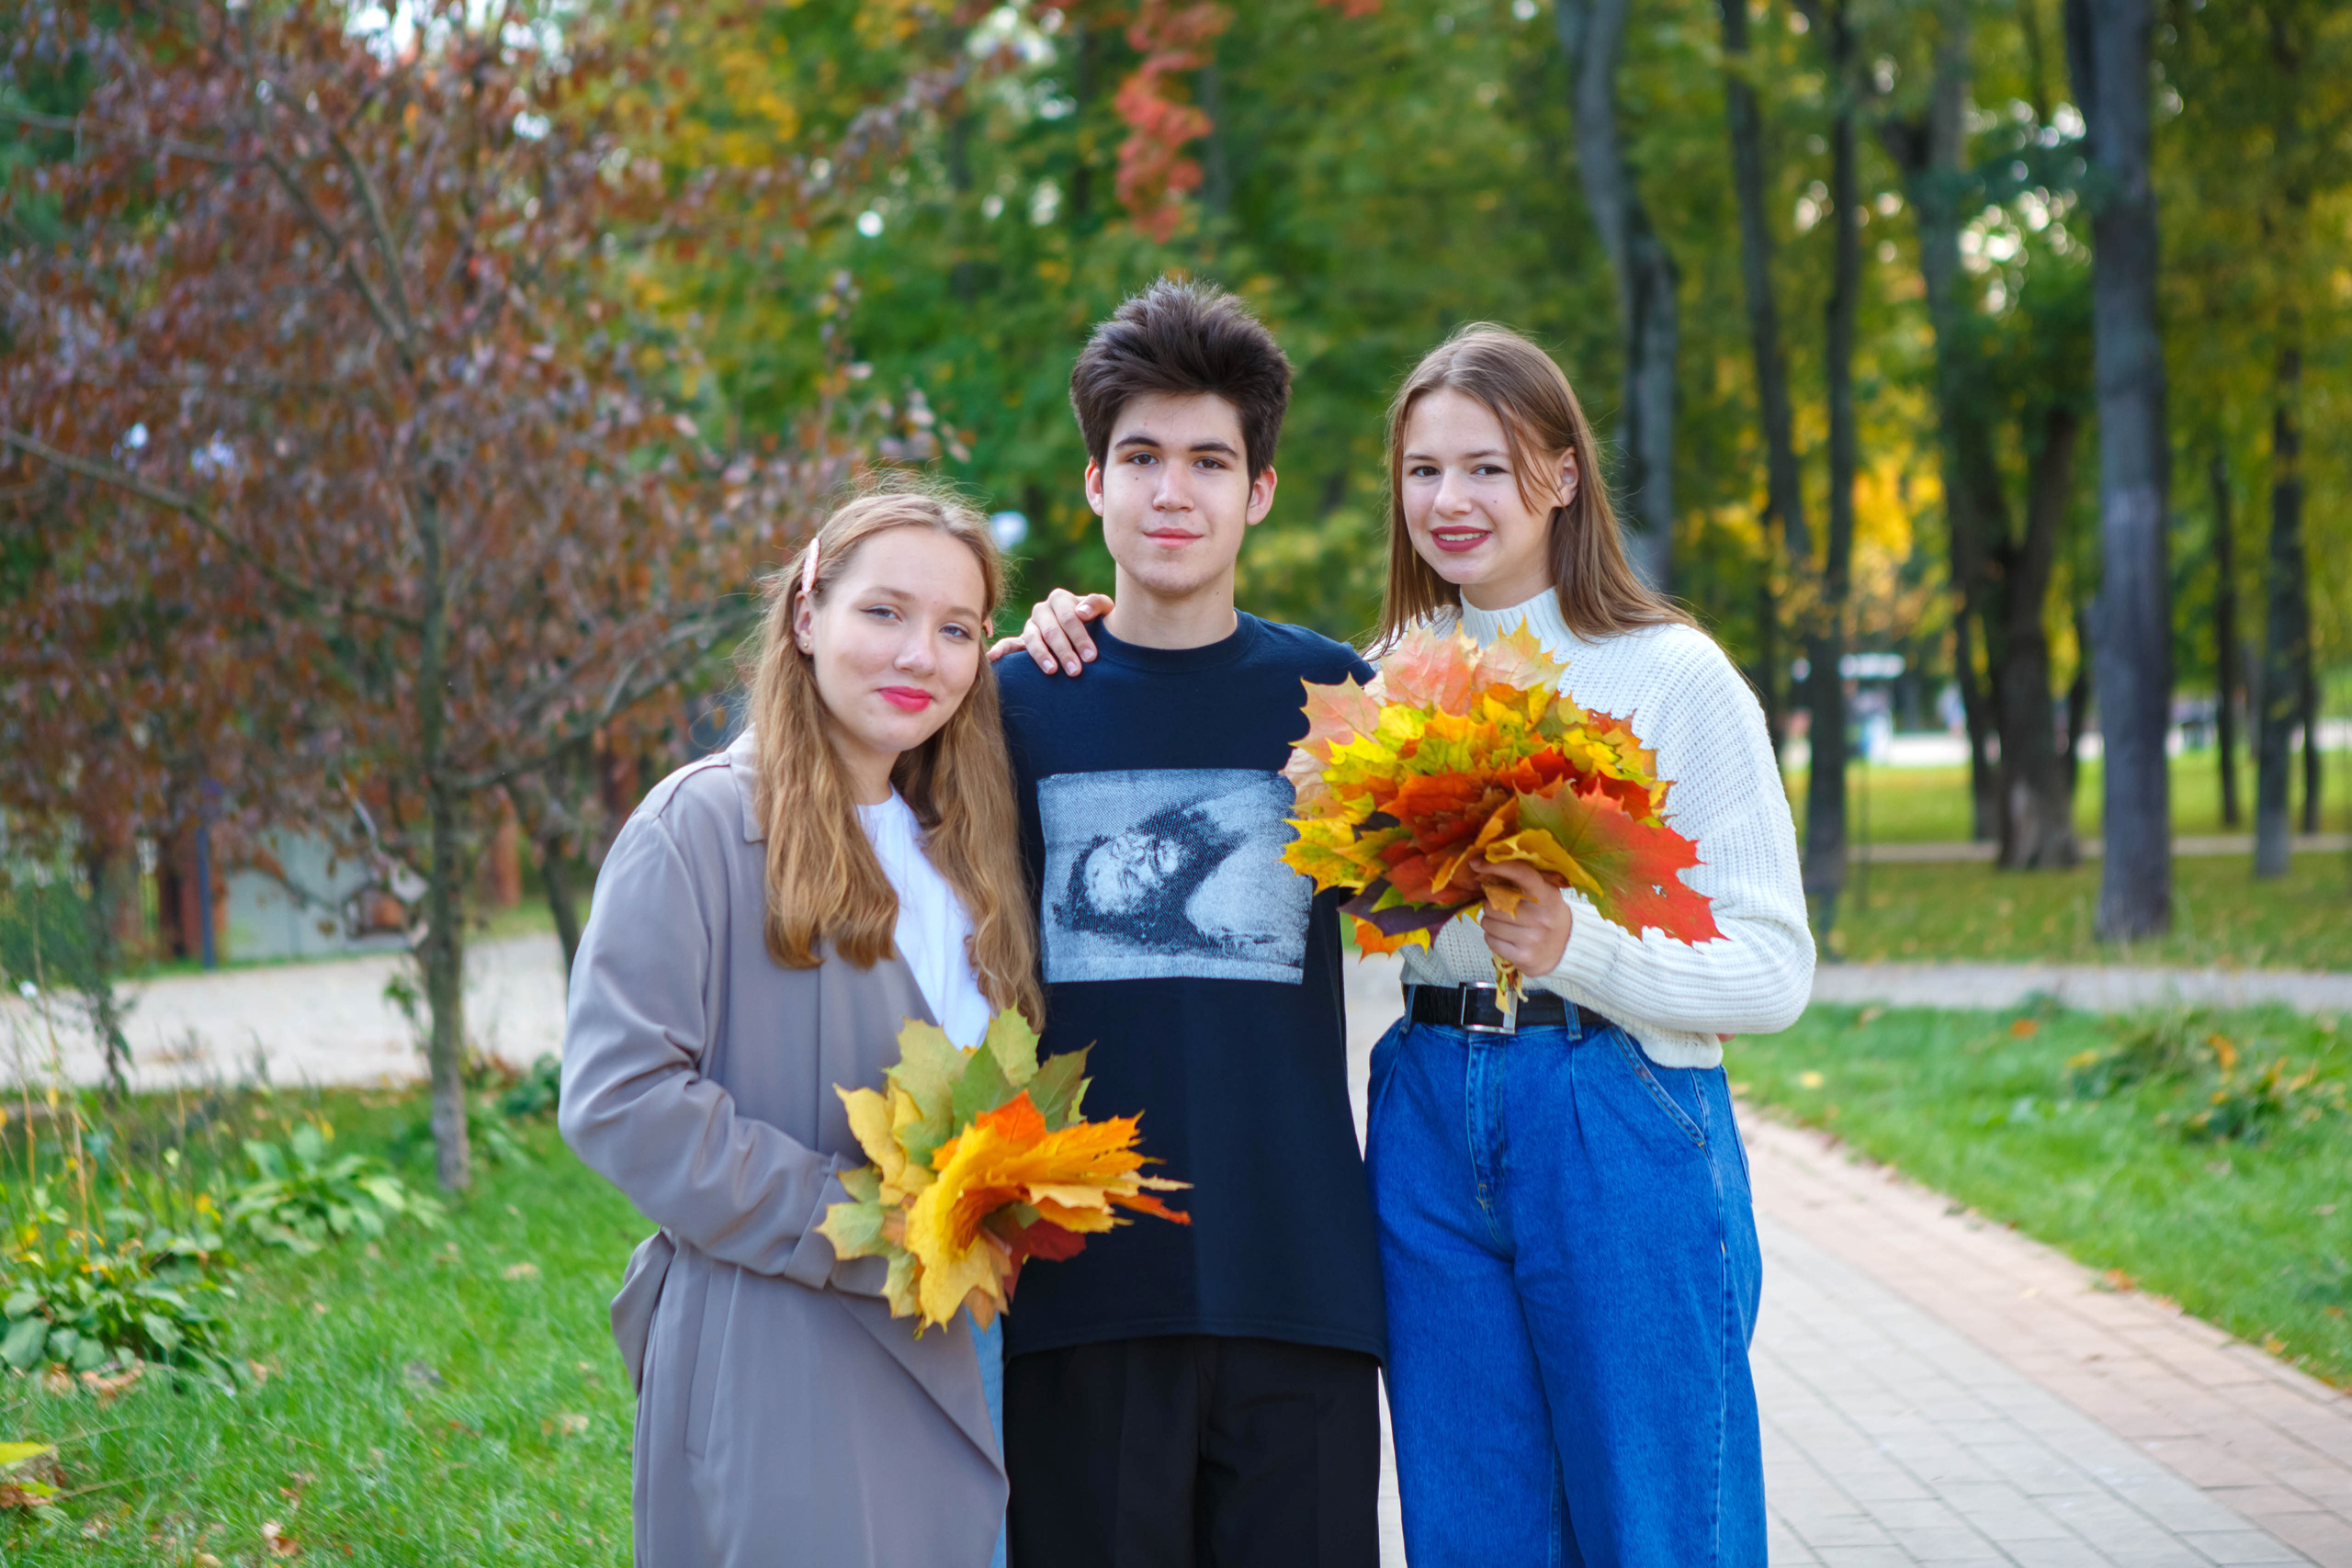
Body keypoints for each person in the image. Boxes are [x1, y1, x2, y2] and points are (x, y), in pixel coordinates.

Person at [1008, 323, 1815, 1567]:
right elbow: (1186, 692)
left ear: (1561, 475)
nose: (1450, 499)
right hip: (1429, 1113)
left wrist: (1576, 945)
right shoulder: (1375, 685)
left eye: (1487, 467)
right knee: (1470, 1525)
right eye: (1423, 469)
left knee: (1657, 1525)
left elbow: (1775, 969)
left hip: (1614, 1105)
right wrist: (1072, 620)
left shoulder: (1672, 674)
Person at [560, 486, 1039, 1568]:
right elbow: (619, 1099)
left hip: (962, 1340)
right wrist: (855, 1222)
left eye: (956, 629)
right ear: (806, 615)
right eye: (885, 613)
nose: (920, 653)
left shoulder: (956, 848)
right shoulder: (702, 826)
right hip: (785, 1342)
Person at [987, 278, 1385, 1568]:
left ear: (1258, 490)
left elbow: (1430, 901)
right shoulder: (1008, 698)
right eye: (1142, 457)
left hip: (1299, 1279)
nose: (1175, 490)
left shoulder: (1336, 694)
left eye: (1210, 460)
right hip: (1078, 1288)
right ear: (1093, 481)